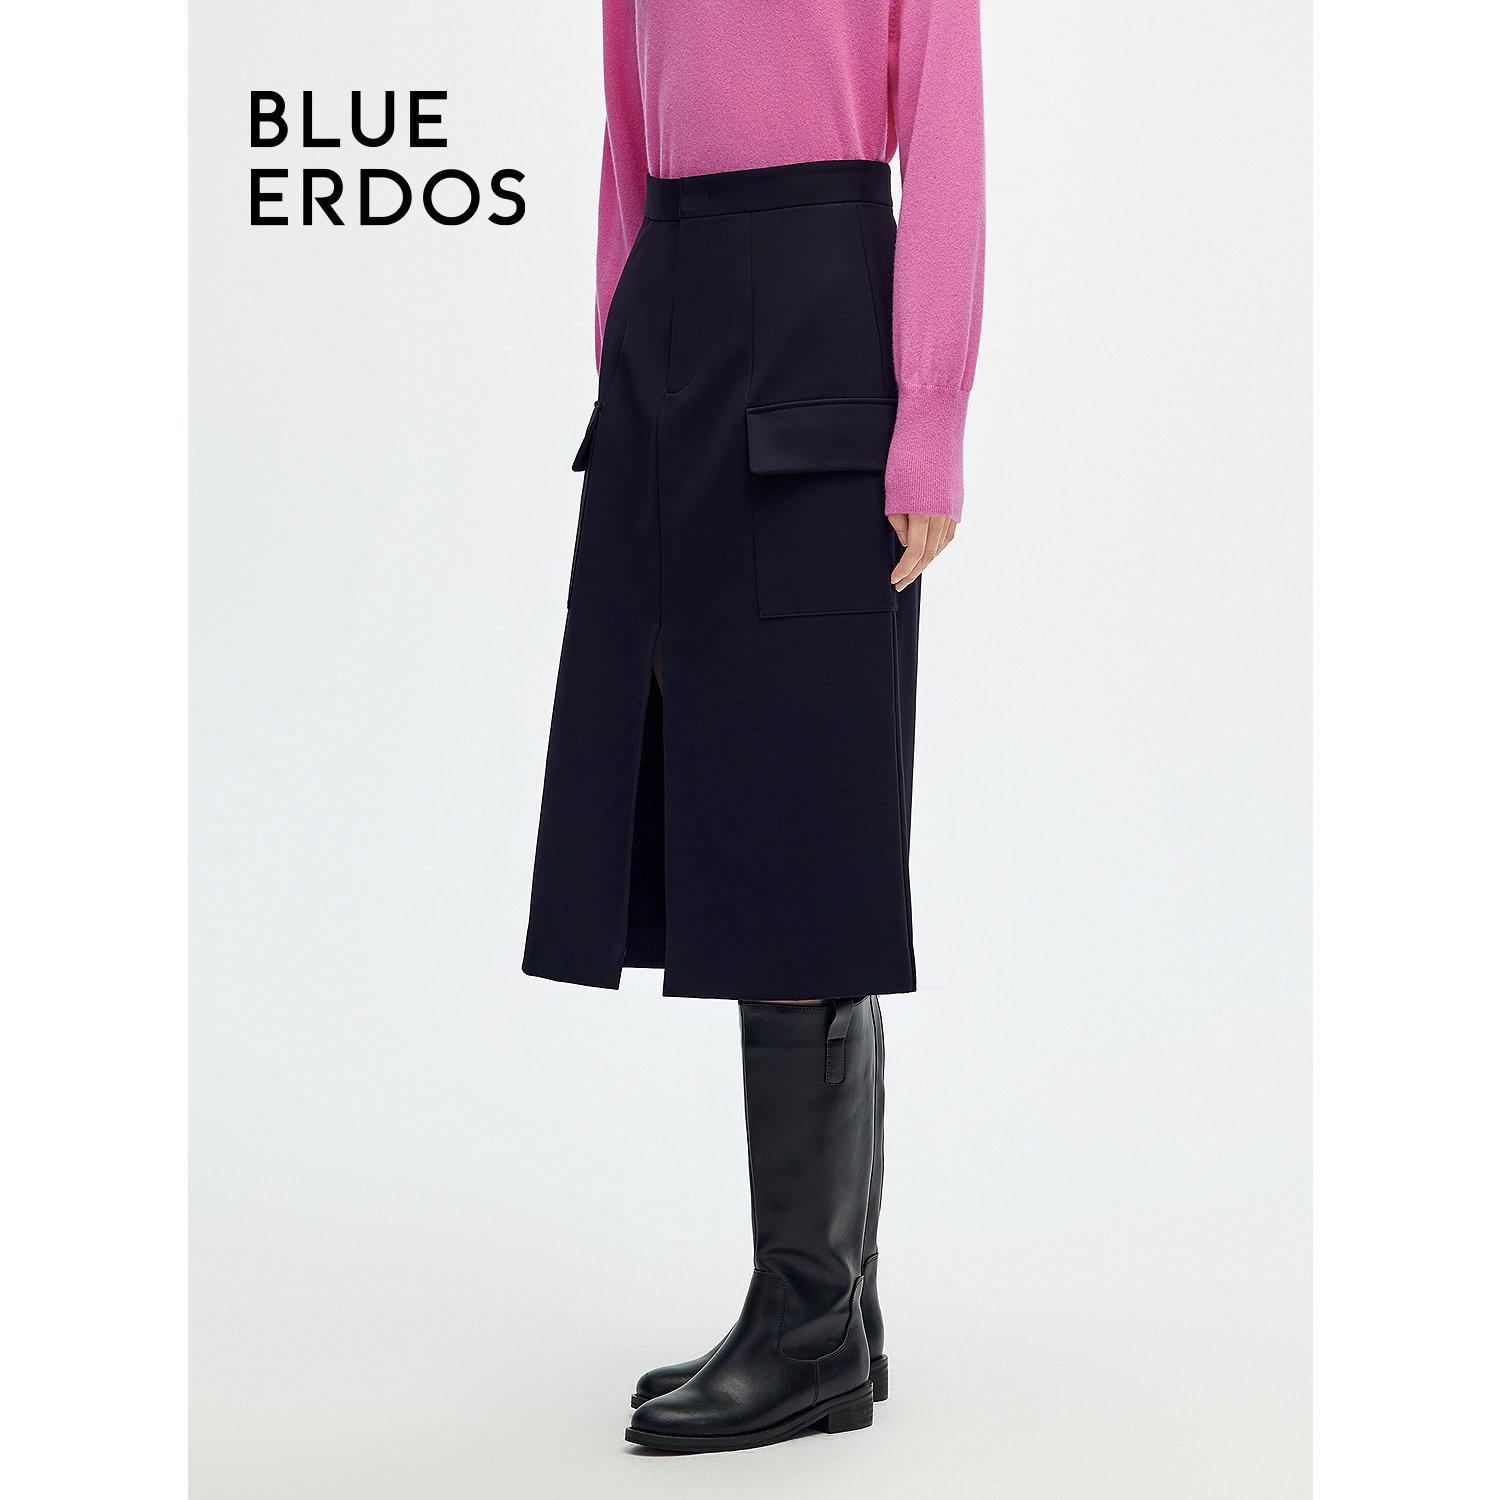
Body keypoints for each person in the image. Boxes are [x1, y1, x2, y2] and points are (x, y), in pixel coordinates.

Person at [522, 0, 985, 1453]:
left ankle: (807, 1324)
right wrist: (623, 362)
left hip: (822, 323)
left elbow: (947, 140)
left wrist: (932, 418)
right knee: (716, 794)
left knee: (802, 816)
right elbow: (627, 142)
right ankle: (830, 1311)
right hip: (671, 329)